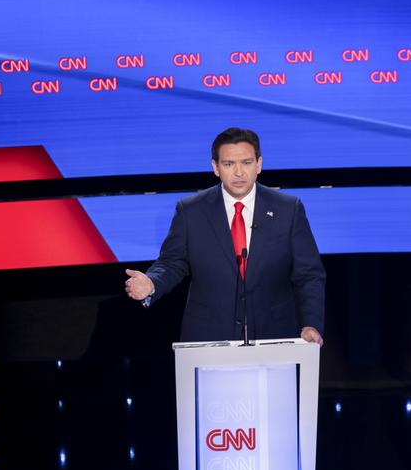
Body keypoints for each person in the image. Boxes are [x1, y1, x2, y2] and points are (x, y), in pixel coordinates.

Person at [124, 127, 326, 344]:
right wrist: (152, 283)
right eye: (229, 164)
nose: (239, 172)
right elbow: (172, 262)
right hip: (209, 337)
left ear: (259, 164)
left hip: (274, 335)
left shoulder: (288, 209)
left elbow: (309, 274)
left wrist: (311, 323)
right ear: (216, 167)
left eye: (247, 163)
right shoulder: (192, 211)